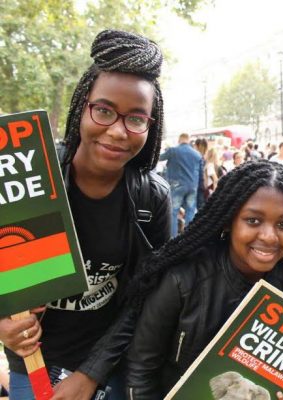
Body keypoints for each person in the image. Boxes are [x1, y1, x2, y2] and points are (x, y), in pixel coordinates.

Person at [0, 30, 171, 400]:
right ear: (83, 106)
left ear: (149, 125)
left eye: (136, 119)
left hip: (107, 367)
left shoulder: (151, 198)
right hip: (33, 363)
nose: (117, 131)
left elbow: (147, 298)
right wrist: (2, 322)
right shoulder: (33, 173)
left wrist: (91, 375)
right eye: (104, 110)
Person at [126, 160, 283, 399]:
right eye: (253, 221)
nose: (269, 236)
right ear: (228, 220)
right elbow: (141, 371)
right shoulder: (182, 279)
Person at [160, 133, 201, 237]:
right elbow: (200, 172)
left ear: (179, 139)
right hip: (192, 186)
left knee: (173, 212)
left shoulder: (173, 150)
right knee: (190, 211)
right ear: (188, 140)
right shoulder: (197, 154)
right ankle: (189, 237)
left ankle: (172, 238)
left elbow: (159, 158)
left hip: (177, 186)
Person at [193, 138, 207, 212]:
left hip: (198, 184)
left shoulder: (197, 157)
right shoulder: (204, 157)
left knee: (199, 207)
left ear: (196, 145)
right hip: (203, 185)